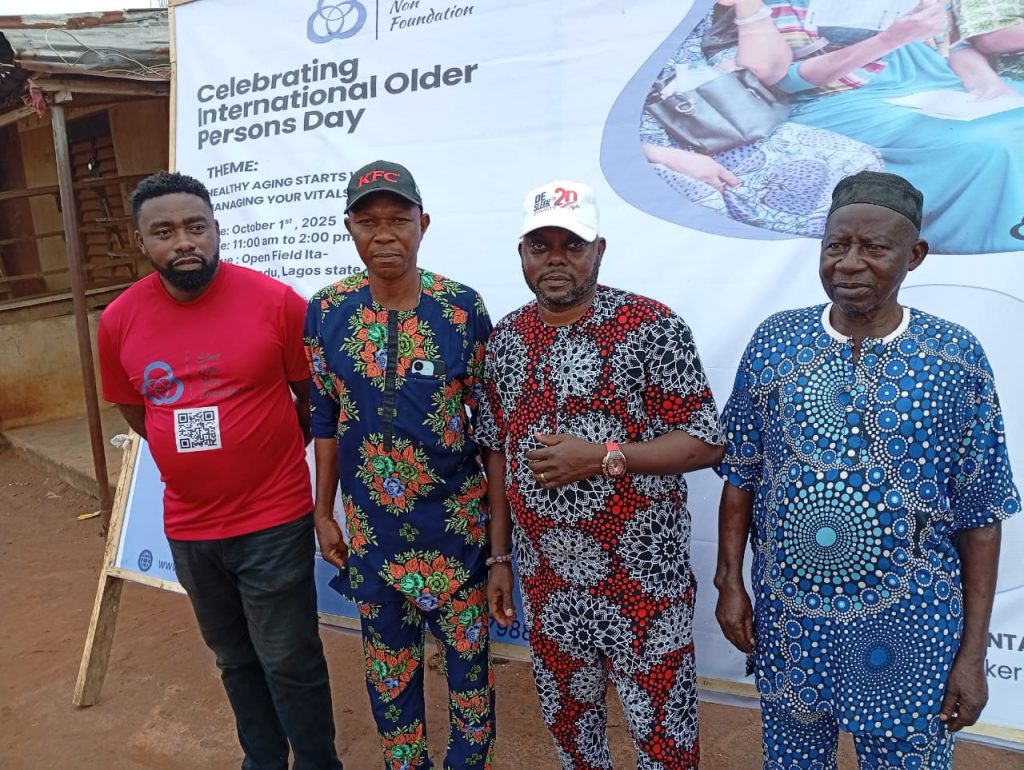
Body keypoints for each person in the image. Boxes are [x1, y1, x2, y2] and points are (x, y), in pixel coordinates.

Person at [715, 170, 1021, 769]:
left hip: (912, 630)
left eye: (875, 248)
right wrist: (730, 583)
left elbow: (981, 515)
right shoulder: (776, 342)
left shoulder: (955, 358)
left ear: (915, 255)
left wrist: (972, 654)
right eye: (837, 245)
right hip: (791, 623)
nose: (850, 264)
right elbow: (740, 474)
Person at [97, 171, 344, 770]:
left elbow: (311, 402)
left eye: (196, 227)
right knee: (234, 656)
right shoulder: (119, 320)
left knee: (287, 655)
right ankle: (261, 759)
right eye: (165, 231)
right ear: (142, 242)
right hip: (188, 526)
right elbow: (137, 410)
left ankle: (317, 763)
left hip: (273, 516)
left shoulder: (276, 303)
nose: (184, 242)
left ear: (215, 229)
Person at [476, 180, 725, 769]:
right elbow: (496, 454)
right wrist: (500, 559)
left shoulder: (651, 327)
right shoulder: (505, 341)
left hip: (644, 584)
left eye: (572, 244)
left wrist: (602, 455)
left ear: (600, 249)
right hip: (549, 585)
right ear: (522, 253)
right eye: (541, 246)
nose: (556, 259)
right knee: (573, 740)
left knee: (665, 743)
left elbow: (705, 442)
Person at [305, 161, 495, 770]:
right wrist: (323, 511)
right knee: (389, 682)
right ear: (349, 229)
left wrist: (497, 545)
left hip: (457, 535)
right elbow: (325, 417)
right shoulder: (326, 312)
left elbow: (491, 432)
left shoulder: (462, 309)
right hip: (371, 536)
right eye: (368, 220)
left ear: (424, 225)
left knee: (470, 685)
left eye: (398, 219)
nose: (384, 234)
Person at [759, 0, 1024, 253]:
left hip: (935, 82)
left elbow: (952, 45)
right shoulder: (774, 7)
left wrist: (976, 71)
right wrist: (891, 39)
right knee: (987, 147)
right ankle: (982, 255)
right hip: (838, 98)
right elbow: (784, 78)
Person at [641, 1, 884, 237]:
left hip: (725, 117)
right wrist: (666, 157)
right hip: (650, 150)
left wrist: (748, 5)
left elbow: (766, 69)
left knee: (854, 163)